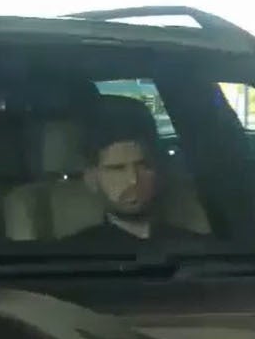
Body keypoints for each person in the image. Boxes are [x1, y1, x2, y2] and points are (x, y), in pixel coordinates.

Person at [60, 95, 209, 250]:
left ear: (158, 169)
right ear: (91, 178)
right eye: (117, 169)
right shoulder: (75, 253)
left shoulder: (199, 247)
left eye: (143, 166)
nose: (133, 180)